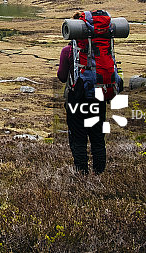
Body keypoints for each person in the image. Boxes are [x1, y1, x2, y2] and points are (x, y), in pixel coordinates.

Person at [57, 18, 106, 175]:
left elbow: (62, 76)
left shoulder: (68, 51)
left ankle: (81, 175)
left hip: (76, 99)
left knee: (78, 138)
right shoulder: (102, 48)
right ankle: (99, 175)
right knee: (98, 138)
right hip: (98, 97)